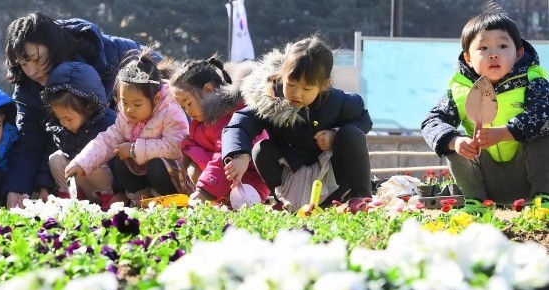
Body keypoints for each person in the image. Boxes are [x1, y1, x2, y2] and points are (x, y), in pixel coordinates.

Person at [2, 12, 151, 208]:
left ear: (53, 46)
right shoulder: (27, 88)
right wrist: (19, 188)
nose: (32, 71)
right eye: (23, 63)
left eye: (37, 59)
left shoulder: (101, 55)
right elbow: (31, 141)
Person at [421, 3, 549, 214]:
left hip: (527, 176)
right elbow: (432, 122)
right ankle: (476, 203)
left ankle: (543, 197)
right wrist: (455, 141)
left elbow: (544, 113)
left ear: (518, 53)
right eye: (483, 48)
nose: (493, 54)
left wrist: (507, 133)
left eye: (502, 46)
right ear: (468, 58)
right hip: (485, 181)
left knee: (543, 132)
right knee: (454, 142)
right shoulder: (459, 90)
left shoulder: (533, 81)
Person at [222, 36, 373, 213]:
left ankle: (360, 197)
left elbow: (364, 120)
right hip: (292, 172)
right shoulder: (271, 102)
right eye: (291, 84)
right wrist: (240, 155)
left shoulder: (339, 101)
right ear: (281, 75)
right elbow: (239, 124)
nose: (296, 94)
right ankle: (283, 201)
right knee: (261, 149)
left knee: (352, 133)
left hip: (332, 179)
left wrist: (335, 133)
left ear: (324, 85)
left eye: (307, 89)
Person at [65, 50, 191, 206]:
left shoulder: (171, 111)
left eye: (137, 104)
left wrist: (133, 149)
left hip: (173, 176)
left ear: (156, 98)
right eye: (124, 103)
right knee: (120, 159)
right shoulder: (126, 116)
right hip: (144, 173)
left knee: (156, 165)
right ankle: (141, 199)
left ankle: (168, 200)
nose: (129, 110)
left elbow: (175, 147)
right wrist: (82, 163)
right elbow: (106, 140)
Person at [169, 57, 269, 205]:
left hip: (249, 180)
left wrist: (203, 192)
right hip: (224, 177)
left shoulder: (227, 117)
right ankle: (219, 199)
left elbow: (224, 154)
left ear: (209, 90)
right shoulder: (202, 122)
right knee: (193, 166)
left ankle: (218, 198)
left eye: (189, 103)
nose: (187, 111)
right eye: (183, 107)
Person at [40, 61, 117, 209]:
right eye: (60, 118)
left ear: (88, 109)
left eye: (68, 119)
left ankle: (107, 202)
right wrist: (43, 185)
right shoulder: (60, 128)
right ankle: (71, 200)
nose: (64, 124)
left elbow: (118, 161)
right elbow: (47, 154)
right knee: (55, 158)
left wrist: (122, 192)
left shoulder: (108, 122)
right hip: (81, 183)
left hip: (106, 185)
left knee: (92, 160)